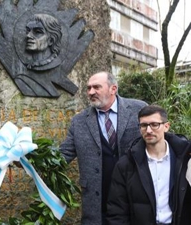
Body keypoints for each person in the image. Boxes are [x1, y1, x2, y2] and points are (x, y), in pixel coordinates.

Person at [59, 71, 147, 225]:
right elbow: (64, 154)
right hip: (97, 199)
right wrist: (30, 161)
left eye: (96, 87)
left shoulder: (138, 109)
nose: (91, 92)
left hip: (135, 196)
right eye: (88, 88)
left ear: (113, 88)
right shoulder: (79, 121)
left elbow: (158, 137)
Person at [107, 105, 191, 225]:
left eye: (154, 124)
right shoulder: (127, 164)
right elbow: (117, 210)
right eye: (144, 125)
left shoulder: (185, 159)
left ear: (166, 126)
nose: (149, 130)